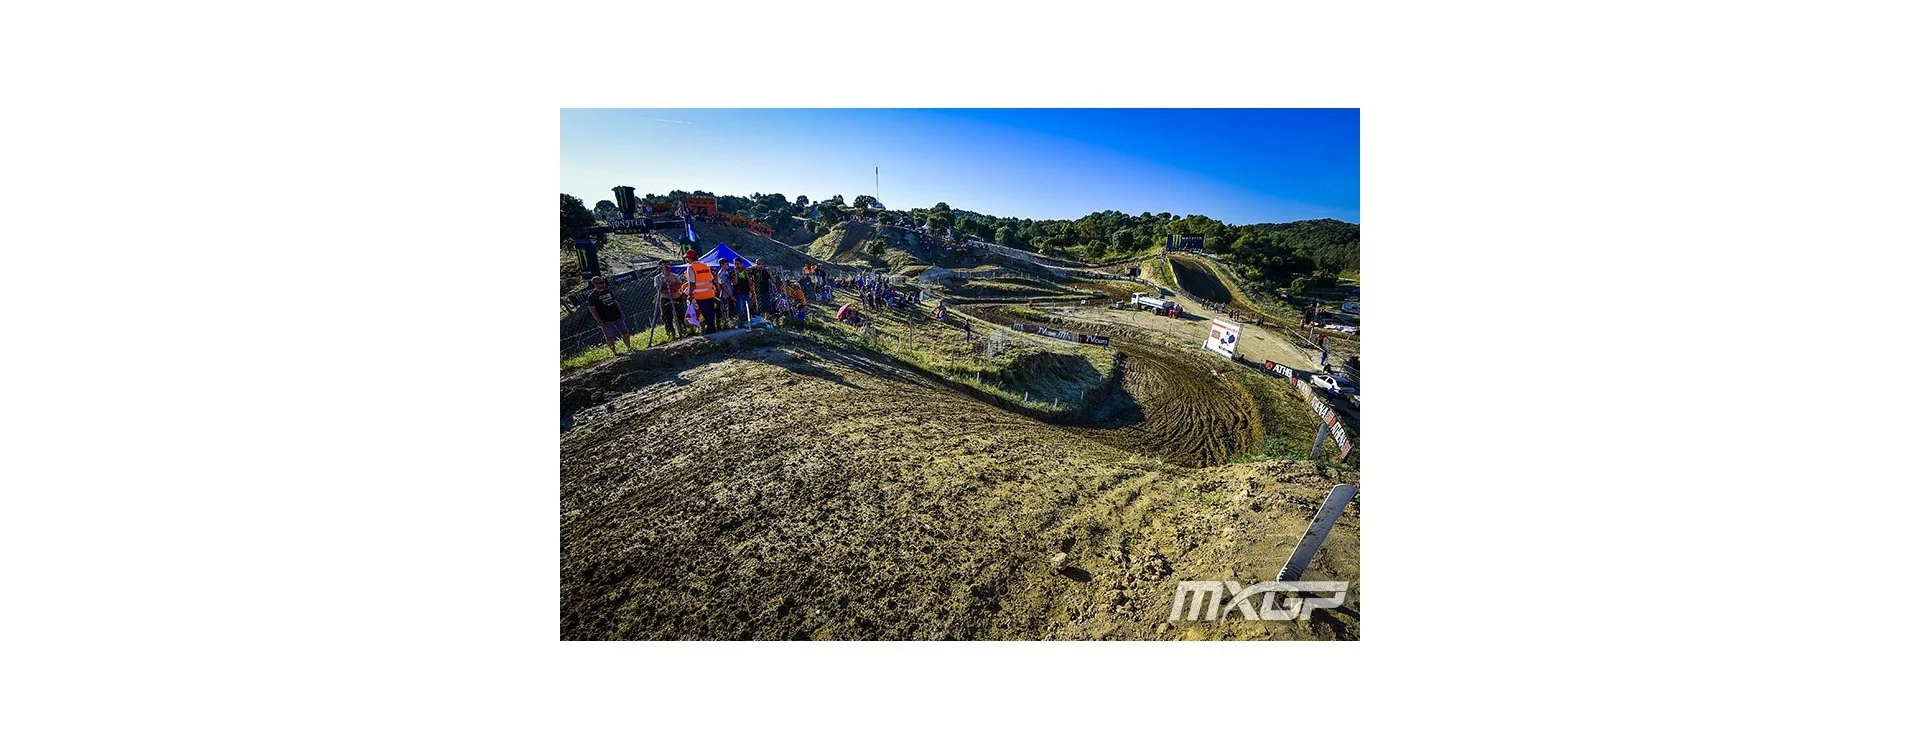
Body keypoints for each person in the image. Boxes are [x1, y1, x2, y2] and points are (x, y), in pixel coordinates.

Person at [583, 276, 633, 354]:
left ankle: (629, 348)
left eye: (603, 282)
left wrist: (621, 312)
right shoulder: (592, 296)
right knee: (609, 337)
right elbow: (592, 310)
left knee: (625, 333)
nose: (602, 284)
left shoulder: (607, 291)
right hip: (605, 319)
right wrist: (599, 320)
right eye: (599, 283)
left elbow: (615, 302)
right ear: (594, 284)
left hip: (617, 316)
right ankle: (615, 352)